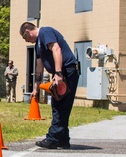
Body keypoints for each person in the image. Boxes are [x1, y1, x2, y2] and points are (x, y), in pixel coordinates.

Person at [19, 21, 80, 149]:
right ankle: (63, 139)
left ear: (28, 32)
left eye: (25, 37)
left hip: (66, 71)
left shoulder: (45, 32)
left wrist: (58, 73)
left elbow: (56, 49)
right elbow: (39, 67)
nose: (26, 41)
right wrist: (35, 88)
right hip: (60, 72)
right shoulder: (38, 45)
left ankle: (52, 139)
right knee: (59, 104)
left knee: (60, 106)